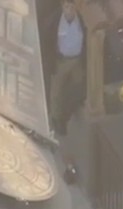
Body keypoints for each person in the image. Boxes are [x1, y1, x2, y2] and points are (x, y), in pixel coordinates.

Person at [49, 0, 85, 137]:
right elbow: (48, 41)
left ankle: (72, 113)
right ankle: (57, 121)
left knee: (77, 85)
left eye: (71, 6)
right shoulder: (54, 22)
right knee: (56, 92)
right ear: (62, 7)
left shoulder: (81, 20)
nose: (69, 9)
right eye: (66, 6)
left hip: (77, 60)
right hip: (61, 61)